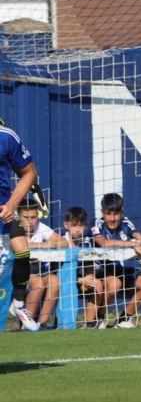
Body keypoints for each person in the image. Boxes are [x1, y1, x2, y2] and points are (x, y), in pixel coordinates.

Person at [91, 193, 141, 329]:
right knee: (114, 283)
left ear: (121, 212)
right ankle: (99, 318)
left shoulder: (126, 223)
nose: (112, 218)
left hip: (119, 270)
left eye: (116, 214)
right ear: (102, 213)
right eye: (108, 214)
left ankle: (123, 319)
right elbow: (103, 243)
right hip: (100, 271)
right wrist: (132, 244)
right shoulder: (97, 223)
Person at [0, 120, 40, 331]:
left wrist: (12, 204)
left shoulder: (6, 136)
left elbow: (29, 171)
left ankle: (18, 303)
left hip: (3, 215)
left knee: (23, 252)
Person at [18, 199, 65, 328]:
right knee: (38, 283)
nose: (30, 221)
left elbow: (64, 242)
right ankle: (26, 324)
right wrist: (42, 245)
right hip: (16, 275)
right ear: (18, 216)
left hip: (37, 273)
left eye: (33, 217)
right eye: (26, 217)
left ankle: (42, 324)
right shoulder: (13, 227)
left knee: (54, 280)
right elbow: (15, 245)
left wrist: (54, 244)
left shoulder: (40, 227)